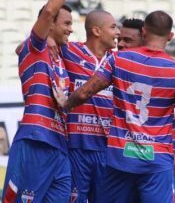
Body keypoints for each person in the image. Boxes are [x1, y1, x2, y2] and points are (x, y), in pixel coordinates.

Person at [55, 11, 175, 202]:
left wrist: (66, 103)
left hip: (120, 157)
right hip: (156, 160)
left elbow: (85, 92)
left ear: (144, 31)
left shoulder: (118, 60)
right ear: (170, 37)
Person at [2, 0, 88, 203]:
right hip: (35, 139)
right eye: (67, 24)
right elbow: (49, 10)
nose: (71, 30)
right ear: (49, 24)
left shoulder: (62, 55)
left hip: (60, 146)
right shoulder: (34, 47)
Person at [58, 10, 119, 203]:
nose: (117, 32)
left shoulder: (118, 61)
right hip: (76, 145)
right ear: (96, 31)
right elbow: (26, 48)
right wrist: (50, 40)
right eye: (113, 27)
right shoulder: (70, 50)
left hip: (107, 149)